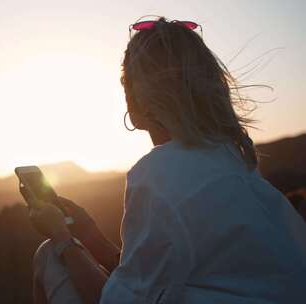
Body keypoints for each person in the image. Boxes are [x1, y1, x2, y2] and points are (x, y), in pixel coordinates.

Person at [28, 17, 306, 304]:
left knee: (49, 256)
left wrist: (62, 238)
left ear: (135, 101)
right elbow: (154, 277)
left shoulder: (160, 173)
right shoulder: (236, 162)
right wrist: (90, 235)